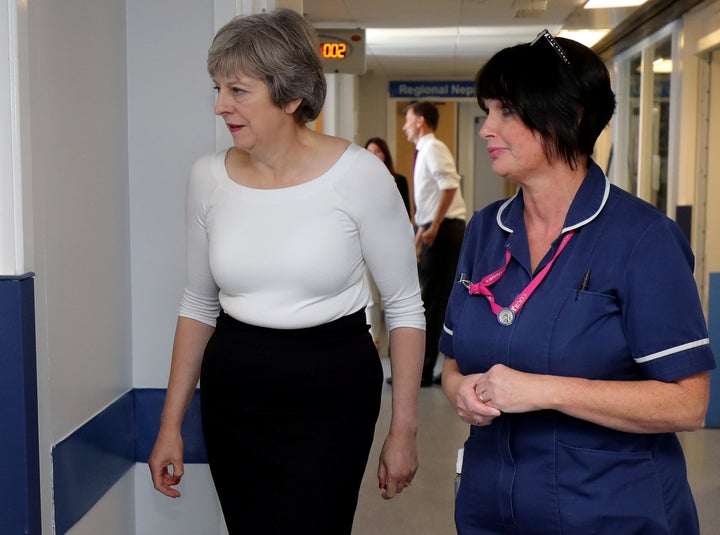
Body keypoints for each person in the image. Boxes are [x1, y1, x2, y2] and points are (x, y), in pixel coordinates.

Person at [147, 9, 425, 534]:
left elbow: (406, 307)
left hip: (332, 390)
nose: (220, 106)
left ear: (290, 96)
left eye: (237, 90)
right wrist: (170, 426)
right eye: (217, 88)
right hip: (236, 390)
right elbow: (198, 305)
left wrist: (404, 428)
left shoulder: (360, 176)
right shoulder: (207, 178)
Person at [440, 30, 716, 534]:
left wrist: (544, 390)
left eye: (506, 111)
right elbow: (455, 361)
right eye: (487, 110)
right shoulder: (486, 229)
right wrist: (459, 390)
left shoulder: (643, 239)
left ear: (569, 117)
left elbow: (687, 403)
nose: (486, 128)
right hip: (491, 507)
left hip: (610, 511)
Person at [402, 101, 466, 387]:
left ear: (421, 121)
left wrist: (435, 226)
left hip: (445, 229)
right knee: (433, 300)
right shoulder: (424, 151)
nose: (405, 125)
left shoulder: (433, 148)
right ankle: (427, 369)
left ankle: (425, 371)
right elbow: (427, 204)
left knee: (433, 301)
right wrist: (420, 235)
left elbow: (449, 186)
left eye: (408, 119)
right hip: (433, 229)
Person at [365, 136, 411, 217]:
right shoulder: (361, 181)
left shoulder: (400, 180)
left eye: (377, 151)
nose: (372, 155)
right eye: (369, 151)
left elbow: (406, 214)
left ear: (385, 155)